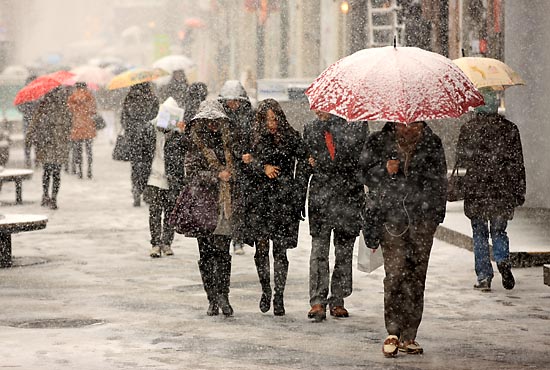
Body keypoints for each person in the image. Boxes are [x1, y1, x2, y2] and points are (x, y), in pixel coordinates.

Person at [359, 120, 447, 357]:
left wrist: (435, 216)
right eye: (404, 124)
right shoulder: (378, 141)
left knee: (417, 275)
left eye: (415, 124)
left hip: (422, 219)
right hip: (392, 218)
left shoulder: (432, 143)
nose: (409, 128)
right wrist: (384, 171)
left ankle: (410, 334)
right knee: (396, 273)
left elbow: (440, 182)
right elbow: (364, 174)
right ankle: (393, 331)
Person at [299, 112, 368, 322]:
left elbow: (361, 161)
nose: (318, 110)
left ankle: (338, 299)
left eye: (323, 106)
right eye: (315, 106)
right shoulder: (310, 129)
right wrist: (307, 164)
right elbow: (303, 163)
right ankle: (317, 301)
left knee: (343, 251)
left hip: (348, 196)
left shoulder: (356, 126)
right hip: (321, 198)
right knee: (319, 250)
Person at [455, 91, 526, 292]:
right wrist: (519, 190)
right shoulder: (510, 129)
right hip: (502, 189)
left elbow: (461, 160)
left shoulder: (469, 128)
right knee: (499, 230)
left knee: (479, 233)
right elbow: (517, 163)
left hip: (477, 188)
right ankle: (502, 259)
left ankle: (484, 276)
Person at [246, 99, 308, 316]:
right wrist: (261, 167)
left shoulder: (291, 137)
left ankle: (279, 295)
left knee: (280, 251)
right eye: (267, 119)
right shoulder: (253, 137)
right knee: (261, 249)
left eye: (274, 118)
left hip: (283, 200)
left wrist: (296, 188)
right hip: (260, 200)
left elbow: (304, 158)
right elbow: (243, 162)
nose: (271, 123)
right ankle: (265, 290)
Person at [185, 99, 235, 317]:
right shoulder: (195, 143)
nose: (213, 124)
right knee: (205, 253)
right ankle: (211, 297)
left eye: (217, 120)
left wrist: (233, 174)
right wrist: (216, 175)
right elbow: (191, 172)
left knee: (223, 252)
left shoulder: (230, 141)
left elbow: (239, 168)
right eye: (209, 120)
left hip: (226, 204)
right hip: (204, 205)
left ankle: (224, 296)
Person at [142, 98, 188, 258]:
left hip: (172, 177)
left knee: (169, 212)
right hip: (153, 177)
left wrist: (182, 133)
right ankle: (155, 243)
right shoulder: (150, 129)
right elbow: (142, 153)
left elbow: (187, 150)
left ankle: (167, 243)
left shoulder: (178, 134)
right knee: (154, 211)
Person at [218, 80, 256, 256]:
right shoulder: (220, 117)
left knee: (241, 204)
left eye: (235, 100)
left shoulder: (250, 116)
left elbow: (254, 139)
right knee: (228, 204)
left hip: (245, 167)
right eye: (229, 100)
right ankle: (231, 238)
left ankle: (239, 238)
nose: (232, 104)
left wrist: (247, 154)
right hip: (227, 167)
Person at [25, 87, 72, 210]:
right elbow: (69, 126)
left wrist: (29, 138)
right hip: (53, 145)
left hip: (51, 145)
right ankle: (51, 197)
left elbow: (33, 125)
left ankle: (49, 196)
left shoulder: (47, 108)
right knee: (53, 173)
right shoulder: (59, 108)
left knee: (49, 172)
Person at [121, 82, 160, 207]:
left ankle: (136, 188)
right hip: (149, 136)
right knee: (147, 164)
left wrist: (130, 129)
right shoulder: (152, 98)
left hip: (133, 137)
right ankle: (145, 189)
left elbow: (124, 119)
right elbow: (157, 117)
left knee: (135, 165)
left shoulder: (129, 98)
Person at [67, 82, 98, 179]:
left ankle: (79, 171)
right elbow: (93, 111)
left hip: (77, 127)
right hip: (88, 127)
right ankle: (89, 170)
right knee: (89, 150)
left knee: (78, 151)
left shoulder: (72, 97)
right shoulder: (89, 96)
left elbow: (69, 111)